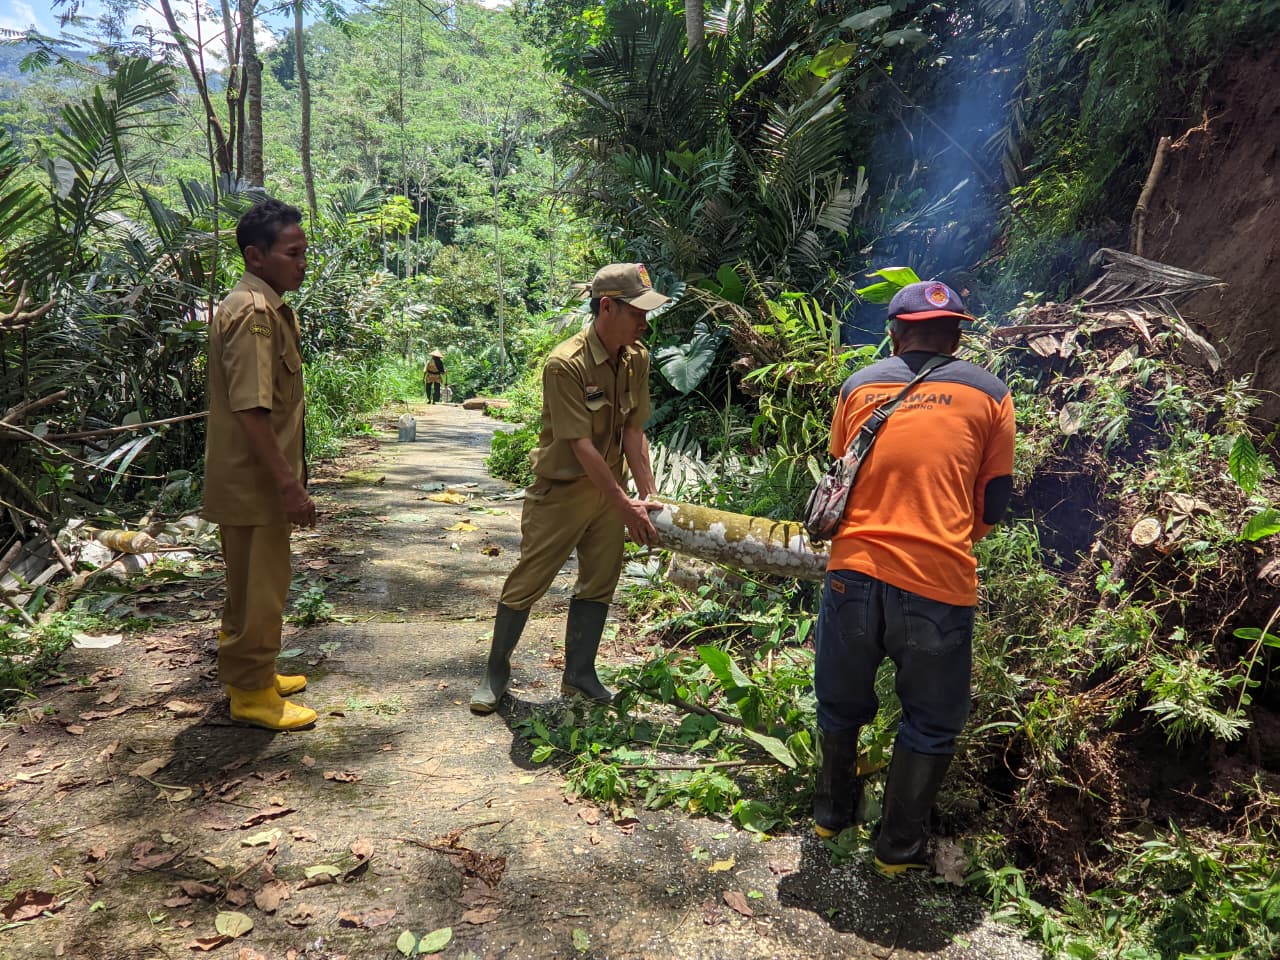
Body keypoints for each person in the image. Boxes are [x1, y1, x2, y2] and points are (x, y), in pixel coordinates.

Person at [811, 280, 1015, 876]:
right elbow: (994, 503)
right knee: (930, 721)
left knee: (840, 704)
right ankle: (896, 851)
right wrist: (945, 540)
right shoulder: (991, 393)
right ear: (957, 337)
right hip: (935, 581)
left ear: (895, 334)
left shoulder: (858, 386)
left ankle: (830, 816)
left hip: (852, 573)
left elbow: (842, 474)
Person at [470, 263, 669, 714]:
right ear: (607, 307)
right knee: (530, 579)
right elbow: (580, 446)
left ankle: (580, 674)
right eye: (637, 312)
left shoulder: (636, 357)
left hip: (610, 491)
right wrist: (626, 505)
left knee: (600, 580)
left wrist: (647, 496)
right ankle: (495, 672)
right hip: (561, 492)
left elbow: (633, 432)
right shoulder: (566, 364)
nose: (644, 322)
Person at [202, 199, 318, 731]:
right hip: (256, 485)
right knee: (261, 589)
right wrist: (289, 486)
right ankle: (251, 693)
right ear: (256, 255)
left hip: (251, 481)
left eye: (304, 252)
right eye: (292, 253)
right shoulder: (254, 314)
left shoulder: (263, 306)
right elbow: (252, 410)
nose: (302, 263)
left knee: (248, 586)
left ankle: (253, 674)